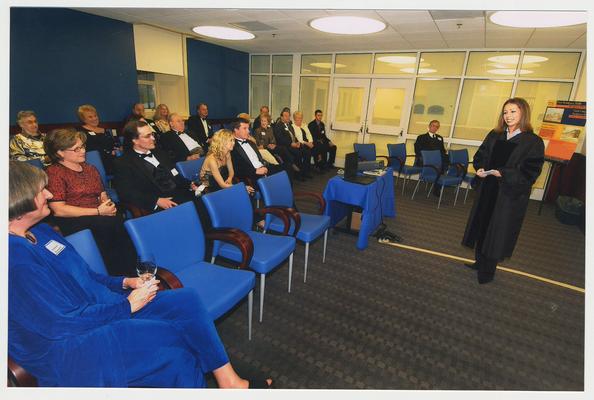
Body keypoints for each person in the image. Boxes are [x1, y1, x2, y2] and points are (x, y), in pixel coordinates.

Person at [8, 161, 272, 388]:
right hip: (72, 345)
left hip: (101, 308)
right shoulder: (14, 261)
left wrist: (125, 282)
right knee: (174, 345)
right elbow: (60, 324)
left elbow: (88, 276)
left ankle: (229, 382)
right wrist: (128, 305)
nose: (50, 193)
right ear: (18, 202)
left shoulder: (40, 232)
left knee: (186, 300)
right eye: (41, 190)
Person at [462, 98, 545, 284]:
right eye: (505, 112)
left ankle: (488, 272)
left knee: (497, 232)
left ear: (523, 113)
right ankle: (479, 261)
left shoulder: (533, 142)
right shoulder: (495, 134)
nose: (508, 116)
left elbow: (530, 172)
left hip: (508, 195)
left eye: (513, 112)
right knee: (482, 226)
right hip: (488, 190)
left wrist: (503, 173)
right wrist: (480, 168)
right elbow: (481, 155)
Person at [44, 128, 138, 276]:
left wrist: (108, 205)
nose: (83, 151)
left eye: (83, 146)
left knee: (118, 218)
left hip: (98, 213)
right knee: (110, 225)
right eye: (76, 149)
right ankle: (119, 273)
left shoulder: (90, 168)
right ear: (60, 152)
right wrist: (99, 212)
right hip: (72, 217)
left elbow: (102, 194)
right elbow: (59, 209)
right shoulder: (54, 173)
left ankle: (131, 268)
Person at [113, 120, 198, 214]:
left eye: (152, 134)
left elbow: (175, 174)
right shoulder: (123, 163)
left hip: (178, 194)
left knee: (203, 202)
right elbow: (126, 193)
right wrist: (156, 201)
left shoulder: (160, 153)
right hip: (157, 203)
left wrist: (190, 184)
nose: (153, 138)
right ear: (135, 140)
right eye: (147, 136)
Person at [230, 118, 285, 186]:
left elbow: (259, 158)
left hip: (263, 167)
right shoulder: (232, 146)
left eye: (248, 128)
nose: (248, 131)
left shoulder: (251, 143)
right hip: (252, 174)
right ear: (236, 130)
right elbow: (237, 168)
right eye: (244, 128)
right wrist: (255, 171)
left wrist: (265, 166)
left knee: (286, 168)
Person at [198, 129, 254, 195]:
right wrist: (242, 188)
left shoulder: (227, 153)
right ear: (222, 142)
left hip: (221, 177)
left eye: (233, 140)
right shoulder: (212, 160)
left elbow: (231, 171)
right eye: (231, 140)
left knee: (244, 192)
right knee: (240, 192)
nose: (233, 143)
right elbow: (222, 185)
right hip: (209, 184)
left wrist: (230, 178)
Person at [77, 104, 119, 174]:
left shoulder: (107, 131)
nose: (94, 118)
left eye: (95, 116)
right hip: (95, 163)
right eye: (90, 117)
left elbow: (116, 144)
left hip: (113, 160)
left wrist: (117, 149)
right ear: (83, 119)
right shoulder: (80, 132)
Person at [273, 109, 312, 180]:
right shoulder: (278, 126)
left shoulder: (289, 125)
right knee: (298, 153)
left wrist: (297, 142)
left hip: (293, 144)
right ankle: (298, 175)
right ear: (281, 117)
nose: (288, 117)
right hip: (285, 146)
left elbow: (293, 136)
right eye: (286, 116)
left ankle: (305, 172)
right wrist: (291, 144)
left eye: (289, 116)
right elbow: (280, 139)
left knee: (307, 152)